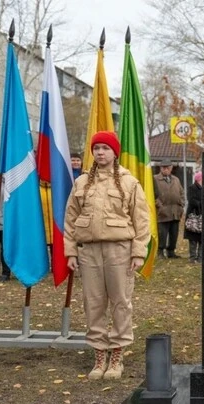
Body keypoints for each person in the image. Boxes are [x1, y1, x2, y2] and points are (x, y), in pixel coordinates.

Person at [64, 131, 150, 380]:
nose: (100, 152)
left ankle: (117, 355)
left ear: (115, 153)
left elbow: (141, 220)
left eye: (105, 148)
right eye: (97, 148)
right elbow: (70, 220)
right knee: (93, 303)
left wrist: (138, 252)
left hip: (119, 250)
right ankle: (99, 354)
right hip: (89, 251)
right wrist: (70, 251)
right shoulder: (81, 183)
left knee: (121, 302)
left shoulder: (128, 182)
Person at [153, 159, 184, 259]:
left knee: (174, 234)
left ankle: (171, 252)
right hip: (162, 212)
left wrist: (181, 204)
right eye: (163, 167)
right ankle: (160, 252)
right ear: (160, 168)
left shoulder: (176, 179)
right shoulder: (154, 179)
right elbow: (151, 194)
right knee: (162, 234)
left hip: (175, 211)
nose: (165, 169)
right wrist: (159, 205)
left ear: (171, 168)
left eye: (168, 167)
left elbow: (182, 193)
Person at [185, 171, 202, 263]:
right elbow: (191, 200)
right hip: (193, 216)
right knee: (193, 238)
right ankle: (192, 257)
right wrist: (201, 204)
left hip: (203, 216)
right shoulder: (192, 188)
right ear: (199, 179)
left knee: (202, 238)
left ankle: (200, 257)